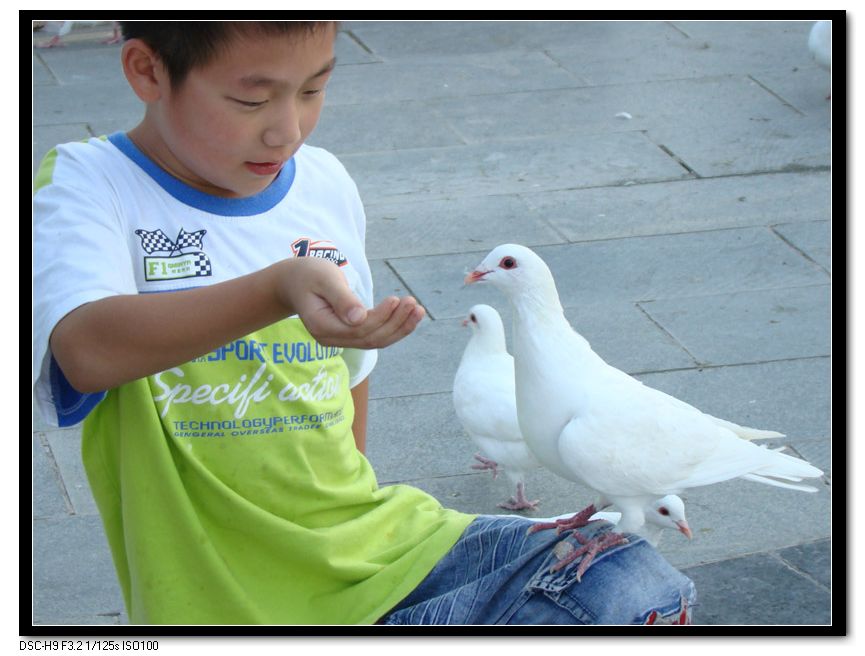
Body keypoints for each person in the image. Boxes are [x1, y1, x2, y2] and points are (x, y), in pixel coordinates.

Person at [32, 21, 696, 625]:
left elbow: (350, 379)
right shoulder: (93, 184)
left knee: (628, 582)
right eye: (250, 99)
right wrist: (277, 289)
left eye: (313, 89)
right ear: (147, 71)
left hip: (377, 549)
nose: (286, 129)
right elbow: (86, 349)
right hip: (234, 597)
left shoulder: (322, 183)